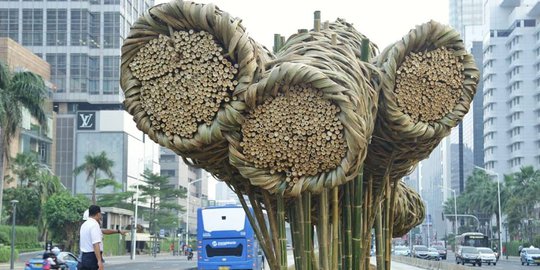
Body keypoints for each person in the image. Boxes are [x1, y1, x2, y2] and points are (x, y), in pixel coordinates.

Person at [79, 205, 125, 270]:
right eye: (100, 214)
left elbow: (103, 231)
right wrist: (99, 261)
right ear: (98, 214)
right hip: (92, 257)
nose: (101, 216)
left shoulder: (84, 225)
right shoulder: (94, 225)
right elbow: (95, 244)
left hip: (84, 257)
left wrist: (118, 231)